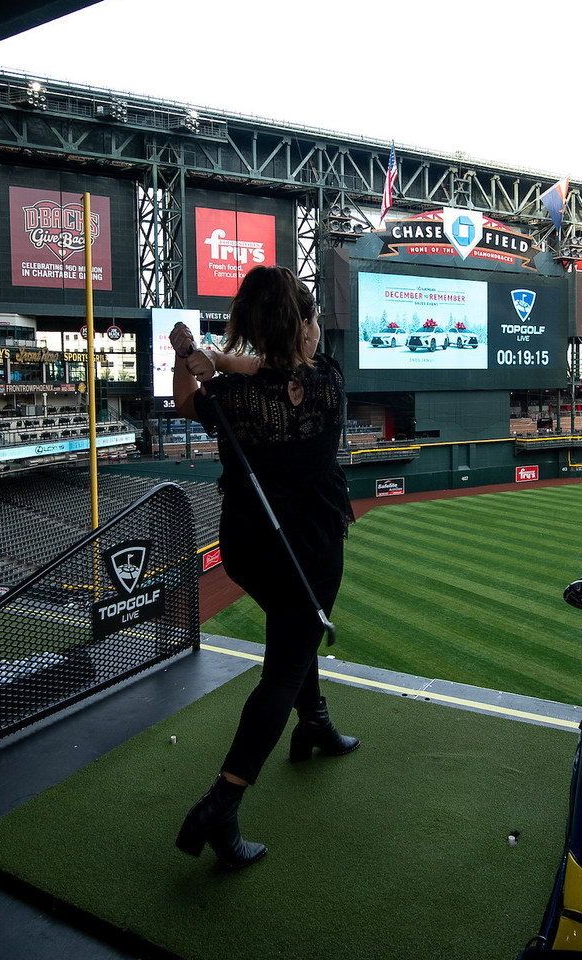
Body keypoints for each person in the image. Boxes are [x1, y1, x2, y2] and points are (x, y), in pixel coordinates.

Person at [169, 265, 358, 871]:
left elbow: (185, 398)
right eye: (312, 320)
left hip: (247, 546)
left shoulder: (230, 394)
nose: (317, 330)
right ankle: (222, 802)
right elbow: (282, 373)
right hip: (312, 545)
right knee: (284, 665)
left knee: (292, 631)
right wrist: (219, 359)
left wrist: (197, 358)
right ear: (301, 328)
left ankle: (316, 722)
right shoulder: (329, 383)